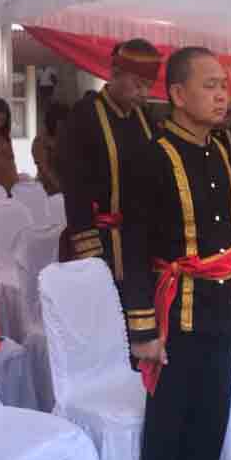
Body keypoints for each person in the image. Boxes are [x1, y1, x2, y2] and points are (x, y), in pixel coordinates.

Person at [122, 46, 231, 460]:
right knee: (169, 415)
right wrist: (143, 330)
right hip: (173, 310)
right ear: (177, 93)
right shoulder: (150, 156)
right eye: (210, 85)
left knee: (213, 409)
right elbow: (131, 248)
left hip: (219, 303)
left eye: (223, 85)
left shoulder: (221, 149)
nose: (222, 95)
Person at [59, 39, 162, 281]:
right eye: (138, 84)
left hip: (141, 241)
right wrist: (90, 255)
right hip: (102, 242)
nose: (144, 94)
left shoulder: (143, 118)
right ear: (115, 72)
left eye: (148, 86)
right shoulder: (85, 114)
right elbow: (75, 188)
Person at [33, 101, 69, 195]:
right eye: (62, 121)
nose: (65, 125)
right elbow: (45, 169)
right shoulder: (40, 141)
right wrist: (63, 189)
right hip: (47, 190)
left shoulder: (66, 137)